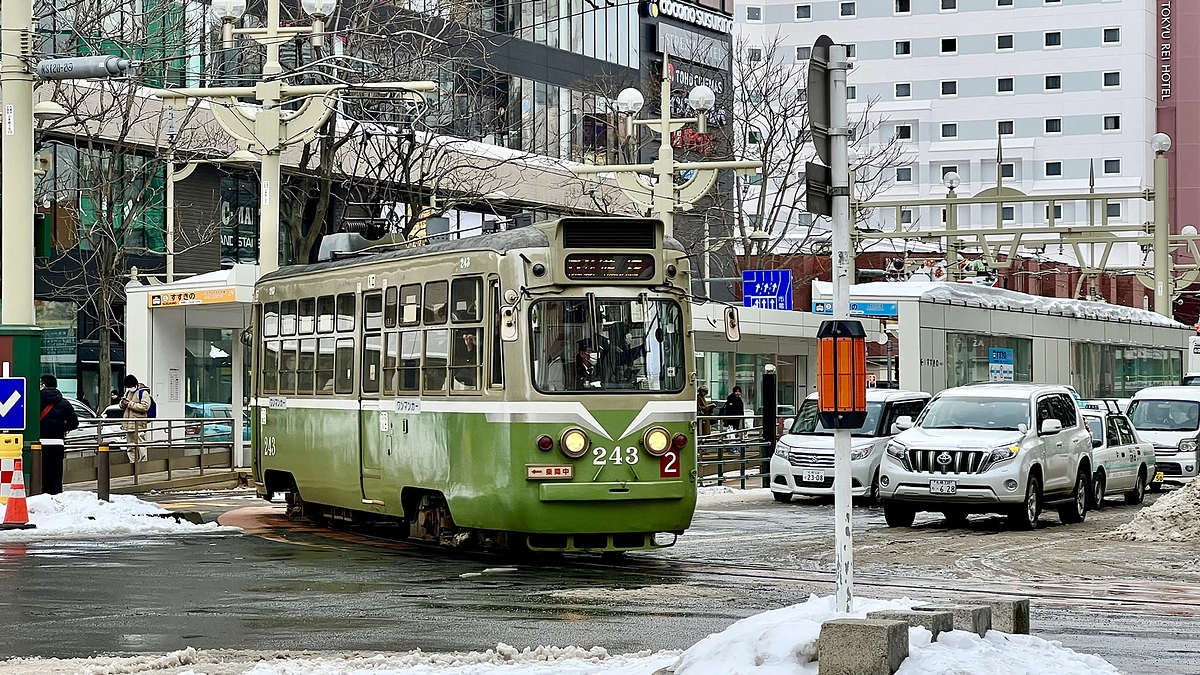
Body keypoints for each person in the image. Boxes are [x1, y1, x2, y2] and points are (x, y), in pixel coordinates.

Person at [38, 375, 78, 495]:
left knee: (40, 472)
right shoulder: (64, 403)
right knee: (55, 473)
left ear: (44, 385)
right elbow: (74, 423)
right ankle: (55, 496)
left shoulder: (35, 401)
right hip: (57, 443)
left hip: (39, 443)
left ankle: (40, 496)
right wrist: (61, 429)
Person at [120, 374, 152, 463]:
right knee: (130, 446)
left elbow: (145, 407)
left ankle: (143, 463)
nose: (130, 388)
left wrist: (130, 404)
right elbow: (122, 406)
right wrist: (122, 404)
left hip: (139, 424)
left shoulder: (143, 393)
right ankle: (132, 462)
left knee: (141, 445)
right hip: (128, 424)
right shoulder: (127, 393)